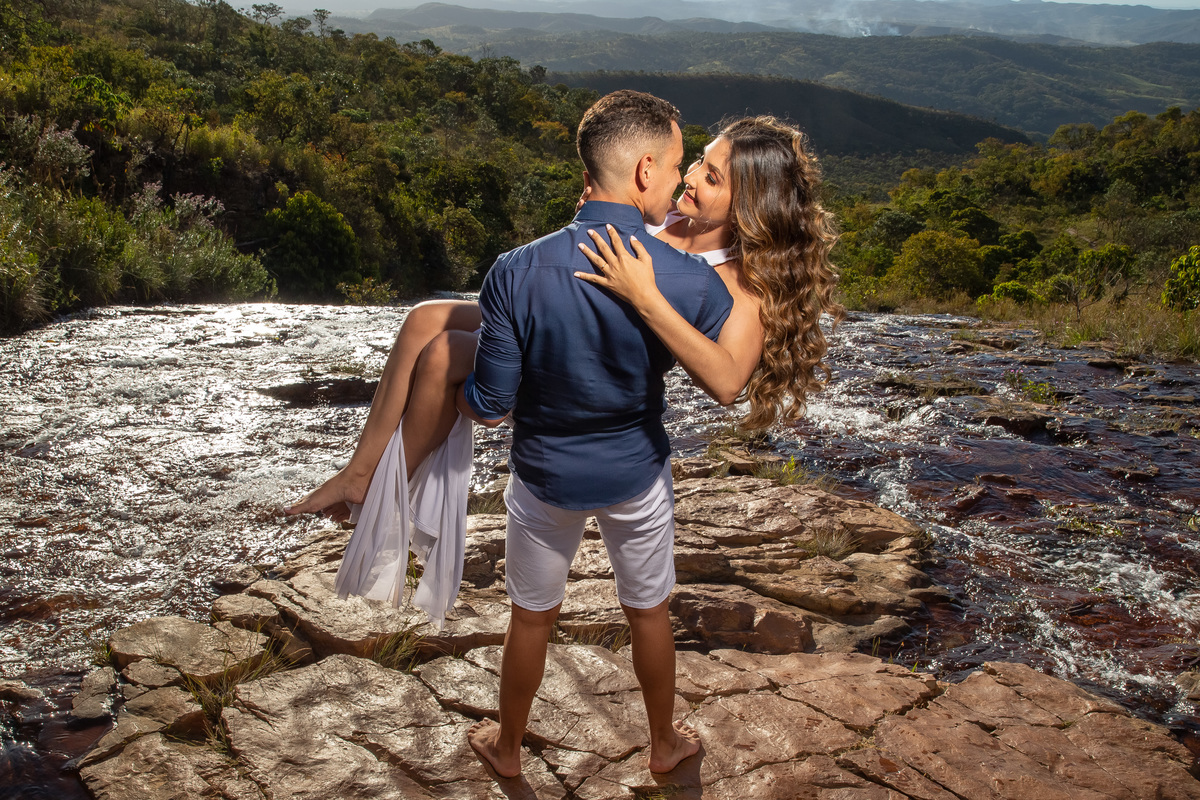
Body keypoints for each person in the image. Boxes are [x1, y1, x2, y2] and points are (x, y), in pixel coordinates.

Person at [454, 89, 731, 778]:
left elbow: (491, 404)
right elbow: (731, 365)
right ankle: (664, 745)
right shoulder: (691, 281)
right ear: (642, 170)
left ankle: (509, 750)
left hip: (545, 479)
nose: (677, 183)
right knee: (648, 613)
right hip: (636, 475)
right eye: (672, 166)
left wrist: (446, 392)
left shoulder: (515, 269)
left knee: (531, 618)